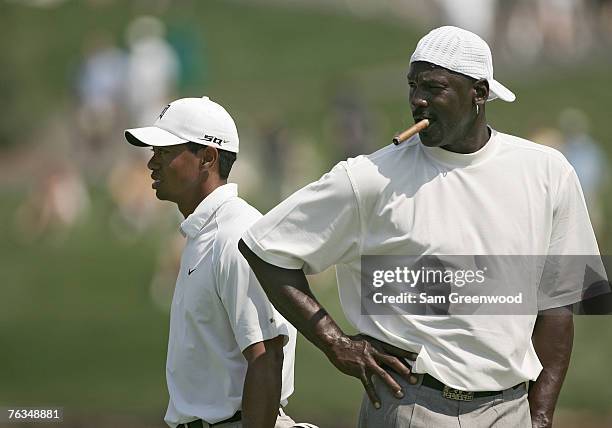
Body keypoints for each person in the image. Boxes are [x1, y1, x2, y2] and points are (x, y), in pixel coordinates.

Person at [238, 27, 606, 427]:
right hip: (411, 407)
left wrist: (539, 416)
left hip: (510, 410)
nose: (417, 100)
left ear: (479, 93)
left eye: (434, 87)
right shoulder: (371, 178)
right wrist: (335, 343)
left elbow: (558, 304)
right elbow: (263, 247)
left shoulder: (547, 173)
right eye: (413, 85)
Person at [124, 96, 297, 428]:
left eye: (165, 152)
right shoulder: (204, 233)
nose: (151, 163)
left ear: (208, 157)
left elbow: (266, 357)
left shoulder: (235, 235)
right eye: (153, 152)